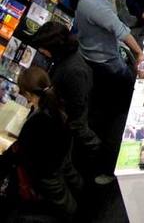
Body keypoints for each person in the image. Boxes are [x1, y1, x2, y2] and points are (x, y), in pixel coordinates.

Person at [75, 0, 143, 176]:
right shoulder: (95, 7)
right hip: (106, 63)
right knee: (126, 104)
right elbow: (120, 30)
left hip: (101, 55)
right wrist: (140, 53)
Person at [30, 22, 107, 182]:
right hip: (83, 106)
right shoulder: (69, 56)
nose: (41, 51)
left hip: (80, 115)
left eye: (43, 48)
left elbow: (77, 104)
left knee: (87, 138)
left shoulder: (71, 70)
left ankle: (104, 167)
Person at [13, 67, 82, 219]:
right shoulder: (57, 98)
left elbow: (27, 154)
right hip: (64, 151)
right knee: (73, 177)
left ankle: (77, 216)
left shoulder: (34, 124)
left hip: (49, 168)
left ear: (28, 94)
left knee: (62, 197)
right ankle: (85, 198)